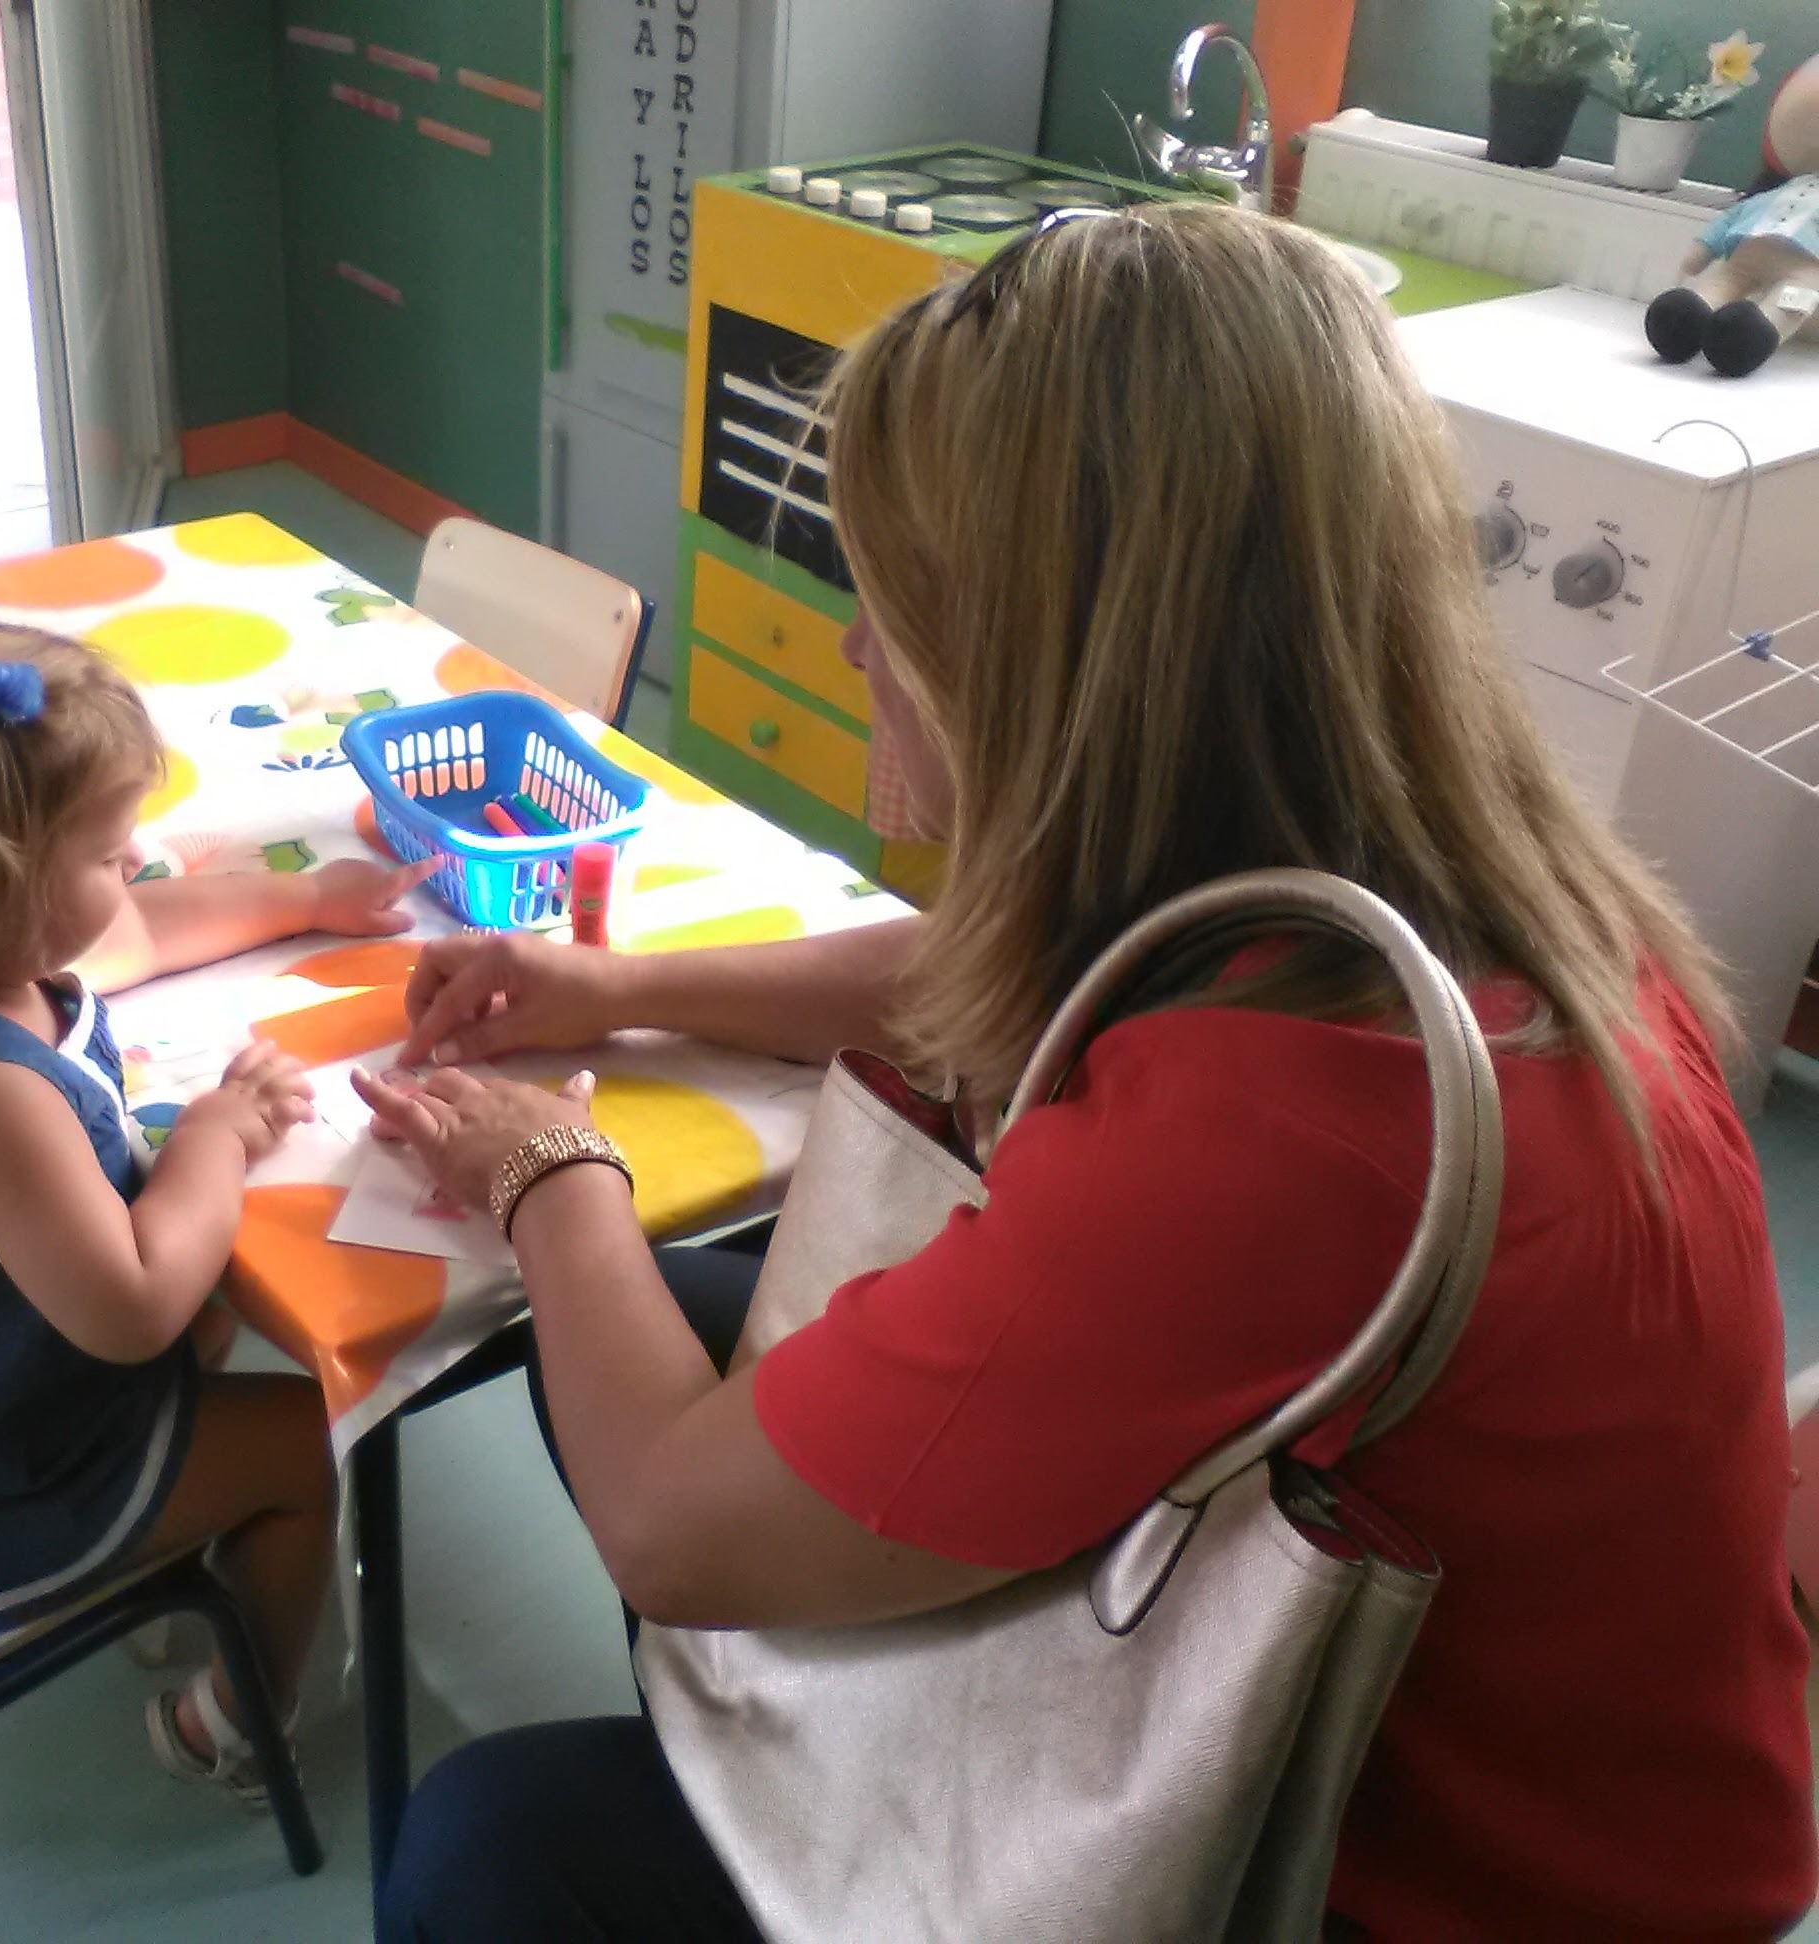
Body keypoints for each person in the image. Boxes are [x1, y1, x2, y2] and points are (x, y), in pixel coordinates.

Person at [356, 204, 1817, 1938]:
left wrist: (546, 1172)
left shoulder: (1280, 1133)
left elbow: (668, 1528)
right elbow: (985, 974)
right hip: (1599, 1754)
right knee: (671, 1316)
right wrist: (614, 984)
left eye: (887, 603)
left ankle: (807, 1807)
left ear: (1045, 666)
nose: (855, 648)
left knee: (495, 1843)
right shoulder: (1448, 898)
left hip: (1442, 1887)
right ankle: (794, 1764)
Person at [0, 609, 435, 1806]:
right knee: (303, 1444)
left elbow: (145, 930)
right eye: (108, 853)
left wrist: (311, 896)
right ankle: (235, 1724)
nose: (137, 863)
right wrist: (214, 1135)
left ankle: (159, 1551)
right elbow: (136, 1307)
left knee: (228, 1291)